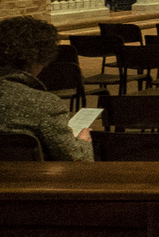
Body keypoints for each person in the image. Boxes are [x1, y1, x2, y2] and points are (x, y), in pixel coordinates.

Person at [0, 16, 92, 160]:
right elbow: (76, 161)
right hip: (31, 180)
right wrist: (83, 142)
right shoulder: (45, 104)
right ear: (38, 58)